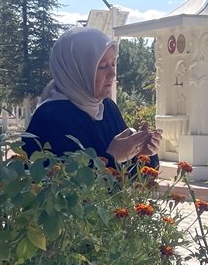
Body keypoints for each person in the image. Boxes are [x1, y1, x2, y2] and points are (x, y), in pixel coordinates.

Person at [22, 27, 161, 169]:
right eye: (102, 66)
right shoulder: (50, 118)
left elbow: (127, 176)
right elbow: (56, 182)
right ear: (77, 69)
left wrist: (142, 153)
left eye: (113, 64)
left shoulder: (108, 108)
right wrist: (113, 157)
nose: (112, 74)